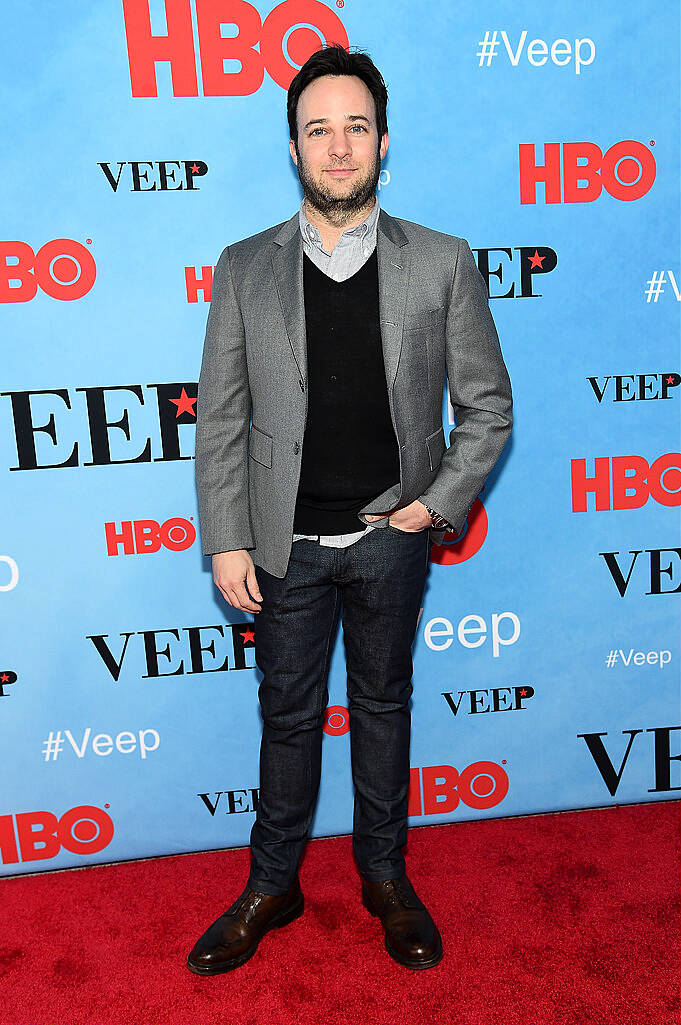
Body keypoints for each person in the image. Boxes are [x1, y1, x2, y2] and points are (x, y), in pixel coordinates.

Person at [188, 43, 512, 975]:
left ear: (381, 142)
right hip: (280, 548)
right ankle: (271, 884)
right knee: (285, 720)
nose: (338, 148)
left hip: (387, 541)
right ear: (292, 148)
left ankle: (384, 877)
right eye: (318, 130)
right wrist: (226, 538)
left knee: (382, 708)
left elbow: (486, 408)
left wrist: (434, 505)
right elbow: (222, 417)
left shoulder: (442, 262)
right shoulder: (243, 267)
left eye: (354, 128)